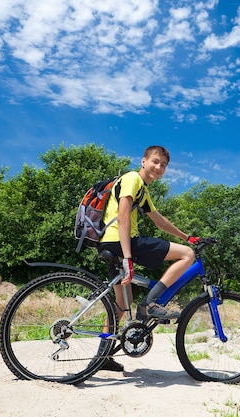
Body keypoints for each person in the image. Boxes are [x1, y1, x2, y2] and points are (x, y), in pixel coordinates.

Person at [97, 145, 199, 371]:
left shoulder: (142, 189)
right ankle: (149, 305)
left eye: (163, 165)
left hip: (109, 242)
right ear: (143, 161)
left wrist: (187, 236)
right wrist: (127, 257)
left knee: (122, 305)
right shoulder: (132, 178)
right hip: (121, 241)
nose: (159, 167)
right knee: (187, 255)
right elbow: (123, 217)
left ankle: (101, 357)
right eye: (155, 161)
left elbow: (159, 221)